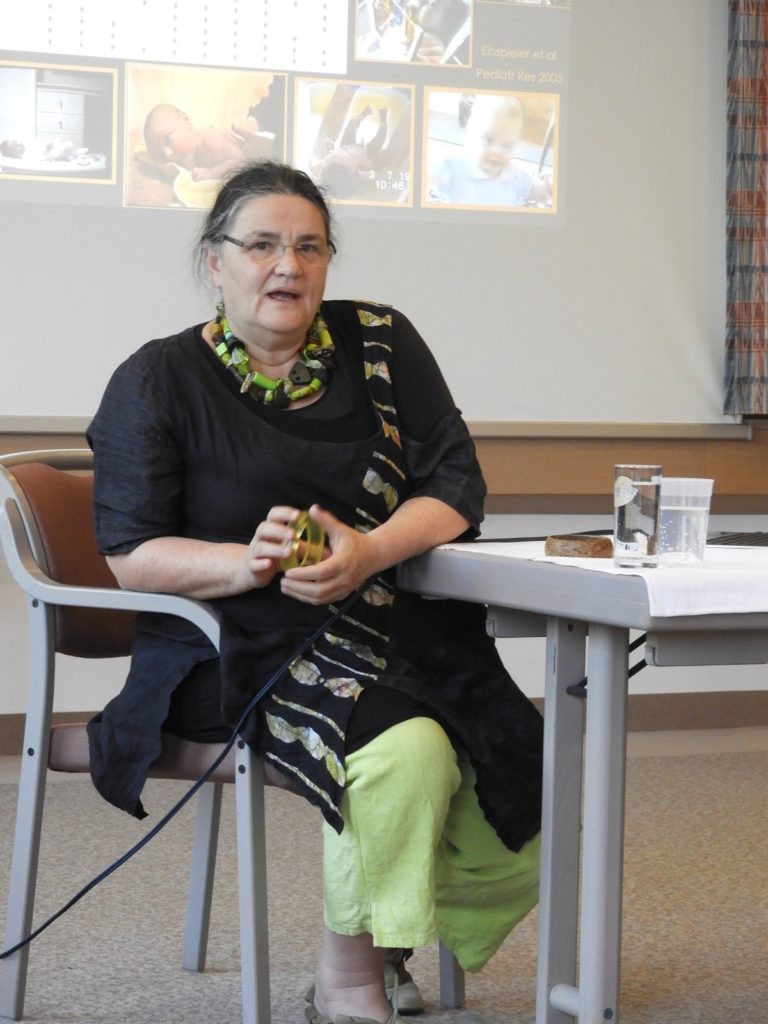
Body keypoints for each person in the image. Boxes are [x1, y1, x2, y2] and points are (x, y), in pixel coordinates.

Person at [86, 160, 543, 1024]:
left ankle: (391, 938)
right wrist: (244, 563)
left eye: (308, 246)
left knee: (522, 749)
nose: (286, 266)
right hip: (230, 647)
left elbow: (455, 487)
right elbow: (131, 554)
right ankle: (349, 981)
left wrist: (369, 551)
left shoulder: (382, 341)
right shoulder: (156, 379)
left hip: (395, 629)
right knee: (408, 751)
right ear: (215, 260)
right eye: (261, 245)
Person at [431, 93, 550, 208]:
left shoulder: (517, 177)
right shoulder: (453, 169)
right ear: (467, 136)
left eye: (507, 145)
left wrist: (547, 187)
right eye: (488, 140)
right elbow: (429, 180)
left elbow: (536, 189)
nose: (497, 151)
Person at [142, 102, 256, 181]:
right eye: (161, 155)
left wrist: (212, 173)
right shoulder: (183, 160)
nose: (168, 154)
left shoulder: (210, 140)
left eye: (168, 139)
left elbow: (241, 161)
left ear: (186, 121)